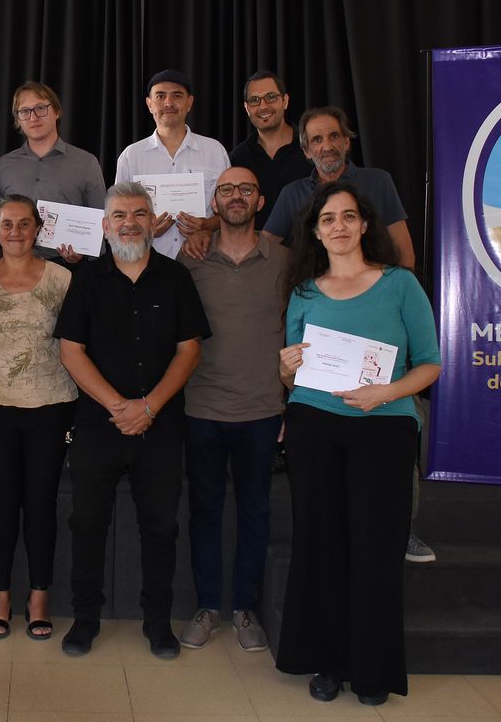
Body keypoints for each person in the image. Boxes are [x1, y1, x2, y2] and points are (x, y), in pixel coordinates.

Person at [275, 183, 441, 706]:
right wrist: (285, 369)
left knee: (375, 551)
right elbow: (291, 372)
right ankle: (327, 663)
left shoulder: (400, 285)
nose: (339, 226)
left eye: (348, 216)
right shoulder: (303, 291)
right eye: (328, 219)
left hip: (384, 428)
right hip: (314, 429)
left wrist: (385, 392)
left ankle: (372, 669)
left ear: (365, 224)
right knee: (320, 549)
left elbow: (431, 363)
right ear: (316, 230)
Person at [54, 182, 209, 659]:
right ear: (105, 226)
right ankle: (85, 619)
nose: (129, 223)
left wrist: (149, 407)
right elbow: (70, 350)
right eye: (119, 215)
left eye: (139, 214)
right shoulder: (87, 280)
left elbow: (190, 349)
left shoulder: (176, 277)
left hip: (160, 425)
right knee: (87, 523)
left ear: (152, 219)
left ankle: (158, 622)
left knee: (161, 527)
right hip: (99, 425)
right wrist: (118, 407)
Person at [177, 167, 287, 652]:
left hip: (263, 409)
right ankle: (206, 605)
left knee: (254, 512)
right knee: (204, 512)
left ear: (260, 201)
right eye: (226, 190)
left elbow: (301, 333)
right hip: (201, 406)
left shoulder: (285, 260)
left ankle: (245, 608)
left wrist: (293, 402)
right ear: (214, 202)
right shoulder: (191, 258)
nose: (236, 196)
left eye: (246, 189)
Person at [0, 195, 77, 641]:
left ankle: (38, 599)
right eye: (7, 224)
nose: (15, 232)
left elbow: (75, 342)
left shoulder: (61, 278)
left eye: (24, 224)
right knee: (1, 504)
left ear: (38, 229)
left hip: (51, 405)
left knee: (41, 504)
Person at [262, 106, 415, 270]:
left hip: (373, 290)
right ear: (306, 151)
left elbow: (404, 252)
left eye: (334, 136)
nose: (327, 147)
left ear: (346, 142)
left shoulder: (378, 181)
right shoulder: (292, 194)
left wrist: (404, 290)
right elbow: (263, 247)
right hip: (314, 291)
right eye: (317, 140)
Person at [0, 82, 105, 264]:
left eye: (40, 108)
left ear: (57, 111)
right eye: (24, 111)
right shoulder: (3, 166)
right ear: (18, 120)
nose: (33, 117)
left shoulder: (86, 163)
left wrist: (87, 254)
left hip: (68, 268)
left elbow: (101, 219)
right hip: (13, 268)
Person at [114, 69, 229, 259]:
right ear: (149, 104)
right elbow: (118, 216)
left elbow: (230, 212)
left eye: (177, 95)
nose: (168, 103)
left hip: (204, 260)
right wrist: (145, 229)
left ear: (189, 102)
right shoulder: (131, 156)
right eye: (160, 96)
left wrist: (205, 226)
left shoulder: (215, 151)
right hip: (147, 262)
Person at [229, 70, 310, 224]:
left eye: (271, 97)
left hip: (309, 246)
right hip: (259, 247)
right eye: (254, 100)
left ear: (285, 101)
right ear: (246, 108)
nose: (263, 106)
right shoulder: (238, 158)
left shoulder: (310, 147)